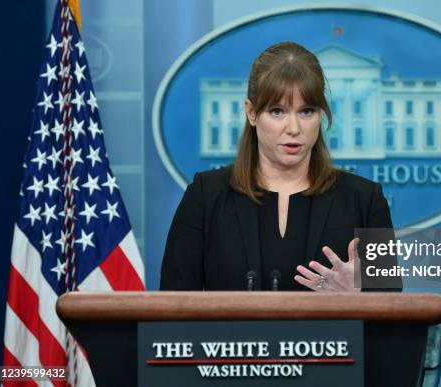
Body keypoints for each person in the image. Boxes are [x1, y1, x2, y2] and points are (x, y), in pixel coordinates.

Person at [160, 41, 393, 291]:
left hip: (333, 332)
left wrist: (360, 298)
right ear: (251, 113)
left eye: (306, 111)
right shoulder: (206, 195)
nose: (293, 128)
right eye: (277, 111)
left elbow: (393, 312)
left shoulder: (366, 200)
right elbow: (174, 306)